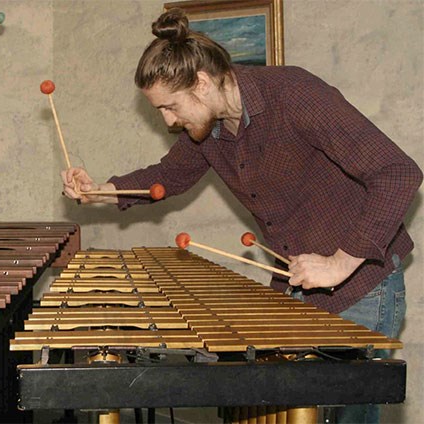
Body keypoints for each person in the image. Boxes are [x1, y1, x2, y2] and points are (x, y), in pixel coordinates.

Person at [61, 8, 421, 423]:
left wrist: (340, 262)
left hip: (364, 289)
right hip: (297, 286)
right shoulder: (209, 130)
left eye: (171, 107)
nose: (168, 121)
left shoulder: (293, 94)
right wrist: (97, 191)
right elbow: (166, 178)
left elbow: (398, 173)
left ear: (202, 82)